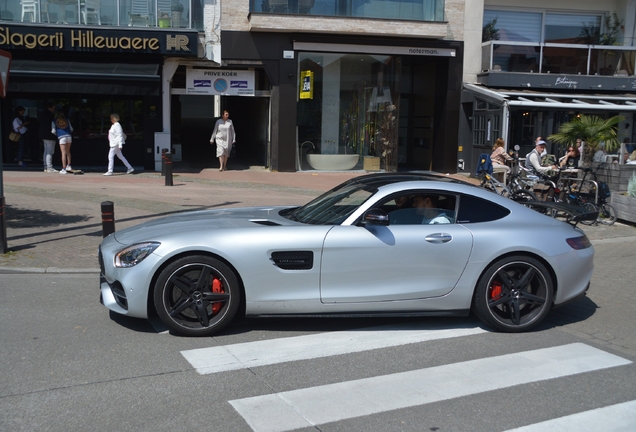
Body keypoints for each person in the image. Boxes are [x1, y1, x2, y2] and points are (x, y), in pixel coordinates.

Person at [53, 110, 74, 174]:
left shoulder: (54, 121)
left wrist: (58, 134)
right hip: (68, 136)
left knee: (63, 153)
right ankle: (69, 165)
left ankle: (64, 168)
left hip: (61, 137)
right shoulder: (67, 120)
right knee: (68, 152)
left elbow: (53, 131)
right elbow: (71, 129)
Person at [39, 102, 58, 173]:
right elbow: (50, 126)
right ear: (49, 108)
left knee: (46, 151)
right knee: (49, 151)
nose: (54, 110)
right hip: (50, 135)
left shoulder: (43, 115)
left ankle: (45, 166)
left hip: (44, 135)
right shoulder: (50, 116)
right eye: (53, 108)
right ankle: (49, 167)